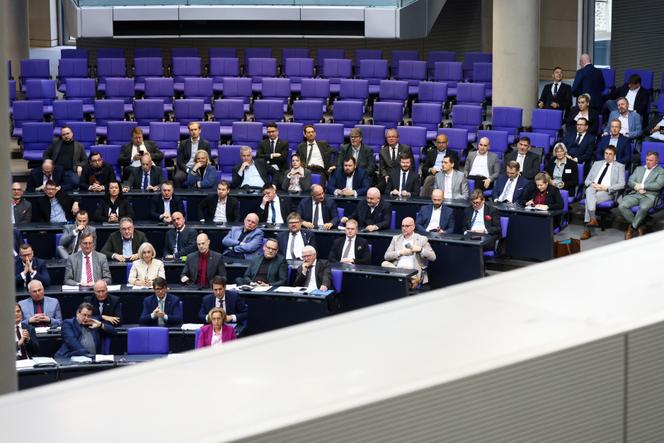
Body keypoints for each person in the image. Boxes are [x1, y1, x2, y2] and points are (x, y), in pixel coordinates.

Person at [581, 145, 626, 240]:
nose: (608, 156)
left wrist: (607, 188)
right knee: (589, 190)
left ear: (614, 155)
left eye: (610, 154)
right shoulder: (596, 164)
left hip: (607, 191)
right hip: (594, 188)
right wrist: (593, 184)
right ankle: (593, 219)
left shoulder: (620, 166)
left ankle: (587, 229)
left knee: (588, 201)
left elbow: (622, 184)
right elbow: (587, 180)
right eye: (606, 153)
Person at [618, 151, 664, 239]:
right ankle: (639, 225)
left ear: (656, 161)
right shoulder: (639, 169)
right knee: (622, 206)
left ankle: (632, 228)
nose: (648, 162)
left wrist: (642, 186)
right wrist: (637, 188)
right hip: (636, 193)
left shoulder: (661, 171)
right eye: (647, 160)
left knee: (644, 207)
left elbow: (658, 185)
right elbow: (630, 181)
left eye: (651, 160)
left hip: (649, 195)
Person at [382, 216, 436, 288]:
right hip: (398, 269)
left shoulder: (422, 239)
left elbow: (433, 257)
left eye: (407, 226)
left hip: (413, 270)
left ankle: (409, 279)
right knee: (384, 263)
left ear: (413, 227)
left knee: (400, 282)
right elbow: (386, 256)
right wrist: (400, 252)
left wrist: (420, 250)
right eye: (403, 226)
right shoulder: (396, 238)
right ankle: (412, 279)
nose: (404, 228)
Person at [42, 125, 87, 191]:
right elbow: (46, 154)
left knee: (76, 183)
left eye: (67, 133)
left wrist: (80, 165)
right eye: (63, 134)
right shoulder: (56, 143)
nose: (66, 136)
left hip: (70, 170)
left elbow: (85, 160)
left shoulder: (79, 146)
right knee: (50, 184)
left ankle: (61, 188)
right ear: (61, 136)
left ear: (72, 133)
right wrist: (48, 161)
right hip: (56, 170)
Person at [175, 121, 212, 187]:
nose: (193, 132)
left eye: (195, 129)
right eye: (191, 130)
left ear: (199, 130)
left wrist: (198, 168)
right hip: (186, 168)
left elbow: (208, 160)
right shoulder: (183, 143)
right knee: (177, 177)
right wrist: (187, 170)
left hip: (200, 169)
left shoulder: (206, 144)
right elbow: (179, 161)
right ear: (189, 131)